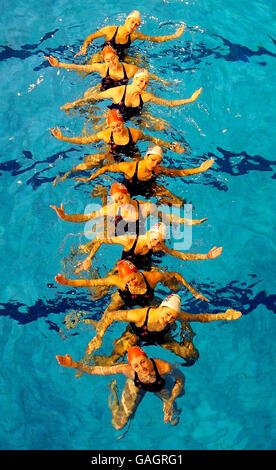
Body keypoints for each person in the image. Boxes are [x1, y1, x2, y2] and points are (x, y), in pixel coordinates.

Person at [84, 294, 242, 367]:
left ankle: (187, 339)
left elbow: (200, 317)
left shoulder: (176, 316)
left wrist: (224, 315)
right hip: (135, 334)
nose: (168, 319)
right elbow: (111, 315)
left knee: (191, 356)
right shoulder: (140, 315)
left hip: (162, 338)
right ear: (160, 307)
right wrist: (99, 335)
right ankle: (85, 363)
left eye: (173, 318)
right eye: (167, 314)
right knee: (112, 360)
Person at [56, 345, 184, 429]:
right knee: (119, 424)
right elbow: (93, 370)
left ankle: (170, 403)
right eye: (136, 366)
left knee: (174, 411)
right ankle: (113, 393)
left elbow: (181, 379)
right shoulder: (127, 370)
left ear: (147, 357)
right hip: (137, 386)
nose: (142, 368)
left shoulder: (164, 368)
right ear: (131, 366)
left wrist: (171, 399)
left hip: (160, 386)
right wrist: (73, 364)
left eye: (142, 362)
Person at [49, 109, 186, 182]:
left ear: (123, 123)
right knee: (89, 163)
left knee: (143, 174)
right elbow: (84, 140)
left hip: (133, 155)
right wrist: (63, 138)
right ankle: (67, 175)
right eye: (113, 127)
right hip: (112, 153)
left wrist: (171, 146)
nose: (117, 129)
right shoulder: (105, 134)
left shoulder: (135, 133)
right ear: (109, 126)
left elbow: (153, 139)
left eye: (119, 125)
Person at [50, 182, 207, 240]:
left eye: (121, 198)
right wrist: (66, 217)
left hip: (135, 235)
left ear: (128, 194)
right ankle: (102, 192)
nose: (120, 202)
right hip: (115, 230)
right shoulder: (113, 208)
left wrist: (191, 222)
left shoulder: (146, 208)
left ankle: (102, 192)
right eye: (116, 200)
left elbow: (168, 217)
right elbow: (86, 217)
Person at [55, 259, 209, 316]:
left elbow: (176, 275)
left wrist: (194, 292)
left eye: (134, 278)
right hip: (123, 298)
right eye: (128, 282)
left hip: (148, 300)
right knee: (106, 317)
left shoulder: (152, 277)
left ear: (137, 271)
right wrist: (68, 282)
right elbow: (92, 283)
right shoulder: (119, 281)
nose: (133, 283)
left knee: (170, 315)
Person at [60, 68, 203, 127]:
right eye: (141, 81)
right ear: (134, 80)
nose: (143, 85)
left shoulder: (146, 96)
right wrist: (73, 104)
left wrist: (191, 99)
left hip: (135, 118)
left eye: (146, 83)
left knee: (165, 126)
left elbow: (169, 103)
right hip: (114, 120)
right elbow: (94, 97)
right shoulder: (118, 91)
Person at [75, 145, 214, 204]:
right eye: (153, 160)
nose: (155, 164)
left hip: (147, 188)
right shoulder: (129, 167)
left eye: (158, 162)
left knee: (175, 199)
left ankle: (165, 205)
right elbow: (106, 169)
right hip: (127, 191)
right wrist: (89, 178)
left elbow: (179, 172)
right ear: (146, 156)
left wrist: (199, 170)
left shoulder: (157, 170)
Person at [74, 220, 222, 273]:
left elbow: (181, 255)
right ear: (150, 233)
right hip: (125, 264)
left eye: (160, 242)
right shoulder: (130, 240)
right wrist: (89, 258)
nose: (156, 244)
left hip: (144, 266)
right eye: (156, 239)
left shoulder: (159, 246)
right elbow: (101, 239)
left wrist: (206, 256)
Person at [45, 46, 168, 94]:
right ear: (104, 62)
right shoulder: (102, 68)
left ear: (117, 56)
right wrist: (59, 64)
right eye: (108, 61)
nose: (111, 62)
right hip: (103, 90)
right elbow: (80, 67)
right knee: (87, 96)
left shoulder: (130, 69)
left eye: (113, 58)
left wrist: (163, 81)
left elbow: (146, 75)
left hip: (120, 95)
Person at [74, 10, 185, 62]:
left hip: (122, 57)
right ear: (127, 20)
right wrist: (84, 48)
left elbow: (155, 39)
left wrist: (175, 35)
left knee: (142, 65)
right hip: (104, 55)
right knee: (88, 67)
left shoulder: (134, 36)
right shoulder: (110, 30)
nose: (133, 26)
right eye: (132, 22)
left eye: (137, 24)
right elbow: (90, 37)